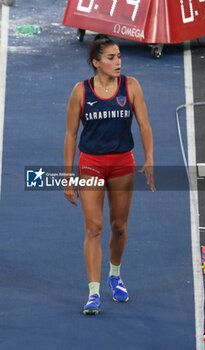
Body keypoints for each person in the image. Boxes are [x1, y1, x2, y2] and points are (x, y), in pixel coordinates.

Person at [64, 34, 155, 315]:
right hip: (90, 164)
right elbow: (70, 134)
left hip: (122, 165)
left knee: (119, 226)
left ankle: (115, 275)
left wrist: (149, 158)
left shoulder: (132, 87)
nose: (118, 62)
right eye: (111, 58)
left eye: (119, 57)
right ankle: (93, 293)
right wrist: (68, 176)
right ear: (96, 62)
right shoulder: (81, 91)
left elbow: (144, 125)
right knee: (94, 228)